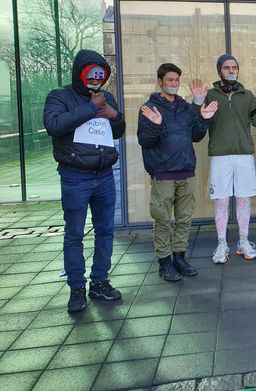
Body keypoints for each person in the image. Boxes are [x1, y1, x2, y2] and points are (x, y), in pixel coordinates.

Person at [43, 49, 126, 313]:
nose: (96, 79)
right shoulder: (60, 96)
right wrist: (92, 107)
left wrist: (116, 116)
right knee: (74, 235)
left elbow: (118, 129)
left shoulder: (107, 96)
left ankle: (100, 282)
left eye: (101, 75)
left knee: (105, 232)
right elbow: (54, 125)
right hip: (75, 176)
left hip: (104, 175)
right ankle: (76, 287)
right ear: (80, 73)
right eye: (91, 74)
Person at [137, 63, 218, 282]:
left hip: (186, 171)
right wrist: (155, 125)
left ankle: (179, 258)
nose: (173, 84)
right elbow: (144, 140)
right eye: (170, 80)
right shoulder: (150, 108)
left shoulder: (185, 107)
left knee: (184, 219)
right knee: (162, 220)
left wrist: (204, 119)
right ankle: (164, 263)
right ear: (160, 81)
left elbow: (196, 135)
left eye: (176, 80)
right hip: (163, 173)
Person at [190, 55, 256, 264]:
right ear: (219, 71)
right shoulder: (209, 95)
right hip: (220, 155)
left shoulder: (246, 95)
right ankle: (221, 243)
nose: (231, 70)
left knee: (244, 199)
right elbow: (195, 124)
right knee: (222, 200)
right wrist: (197, 103)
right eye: (226, 67)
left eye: (234, 67)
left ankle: (244, 241)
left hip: (244, 155)